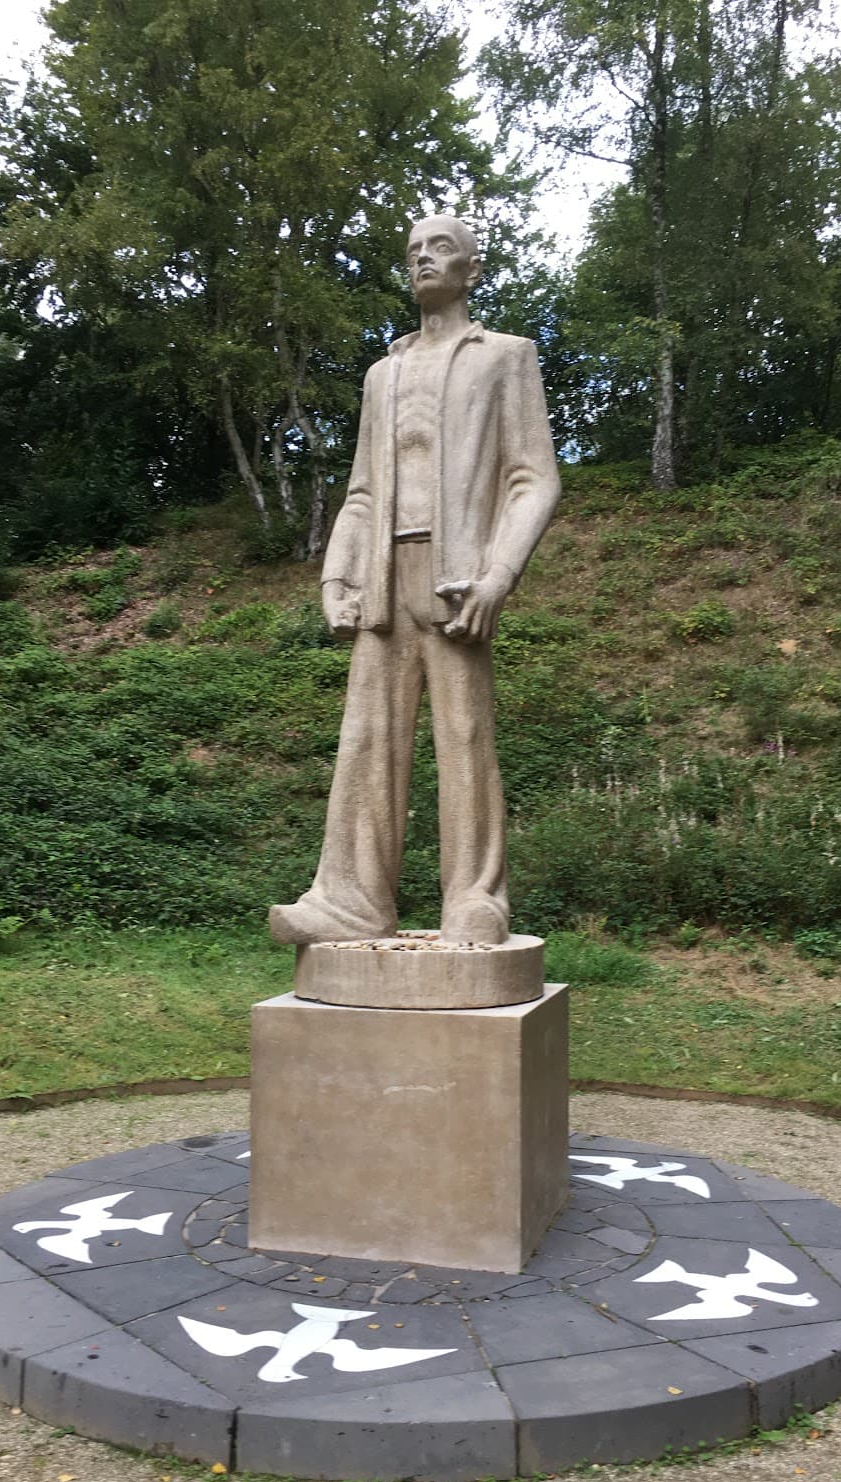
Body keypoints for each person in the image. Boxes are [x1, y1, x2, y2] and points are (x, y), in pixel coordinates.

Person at [269, 214, 560, 947]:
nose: (424, 260)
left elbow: (534, 479)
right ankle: (351, 899)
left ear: (472, 269)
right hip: (383, 574)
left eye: (441, 249)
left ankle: (475, 901)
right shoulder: (384, 374)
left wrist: (499, 575)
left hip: (460, 576)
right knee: (367, 739)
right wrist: (338, 573)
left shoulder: (506, 357)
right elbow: (363, 489)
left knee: (464, 737)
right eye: (414, 252)